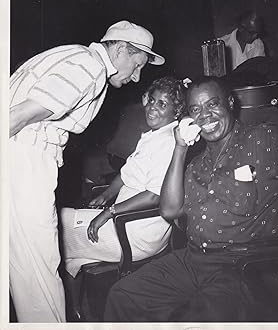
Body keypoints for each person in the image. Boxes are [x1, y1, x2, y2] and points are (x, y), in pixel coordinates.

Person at [9, 20, 164, 323]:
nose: (137, 77)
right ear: (120, 49)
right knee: (39, 268)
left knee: (23, 265)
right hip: (26, 156)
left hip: (19, 152)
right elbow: (18, 115)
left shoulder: (68, 54)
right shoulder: (90, 67)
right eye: (137, 64)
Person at [104, 76, 278, 322]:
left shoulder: (263, 138)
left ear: (230, 103)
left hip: (242, 263)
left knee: (196, 317)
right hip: (194, 260)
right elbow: (169, 211)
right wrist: (180, 147)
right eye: (196, 110)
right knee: (124, 294)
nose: (205, 116)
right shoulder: (196, 164)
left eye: (213, 104)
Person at [60, 76, 186, 320]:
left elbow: (155, 196)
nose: (152, 107)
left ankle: (63, 309)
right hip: (125, 219)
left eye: (162, 104)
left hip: (135, 231)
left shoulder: (169, 142)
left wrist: (109, 211)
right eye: (151, 100)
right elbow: (127, 173)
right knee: (68, 248)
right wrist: (107, 194)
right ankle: (74, 313)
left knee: (57, 223)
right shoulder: (153, 135)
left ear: (177, 111)